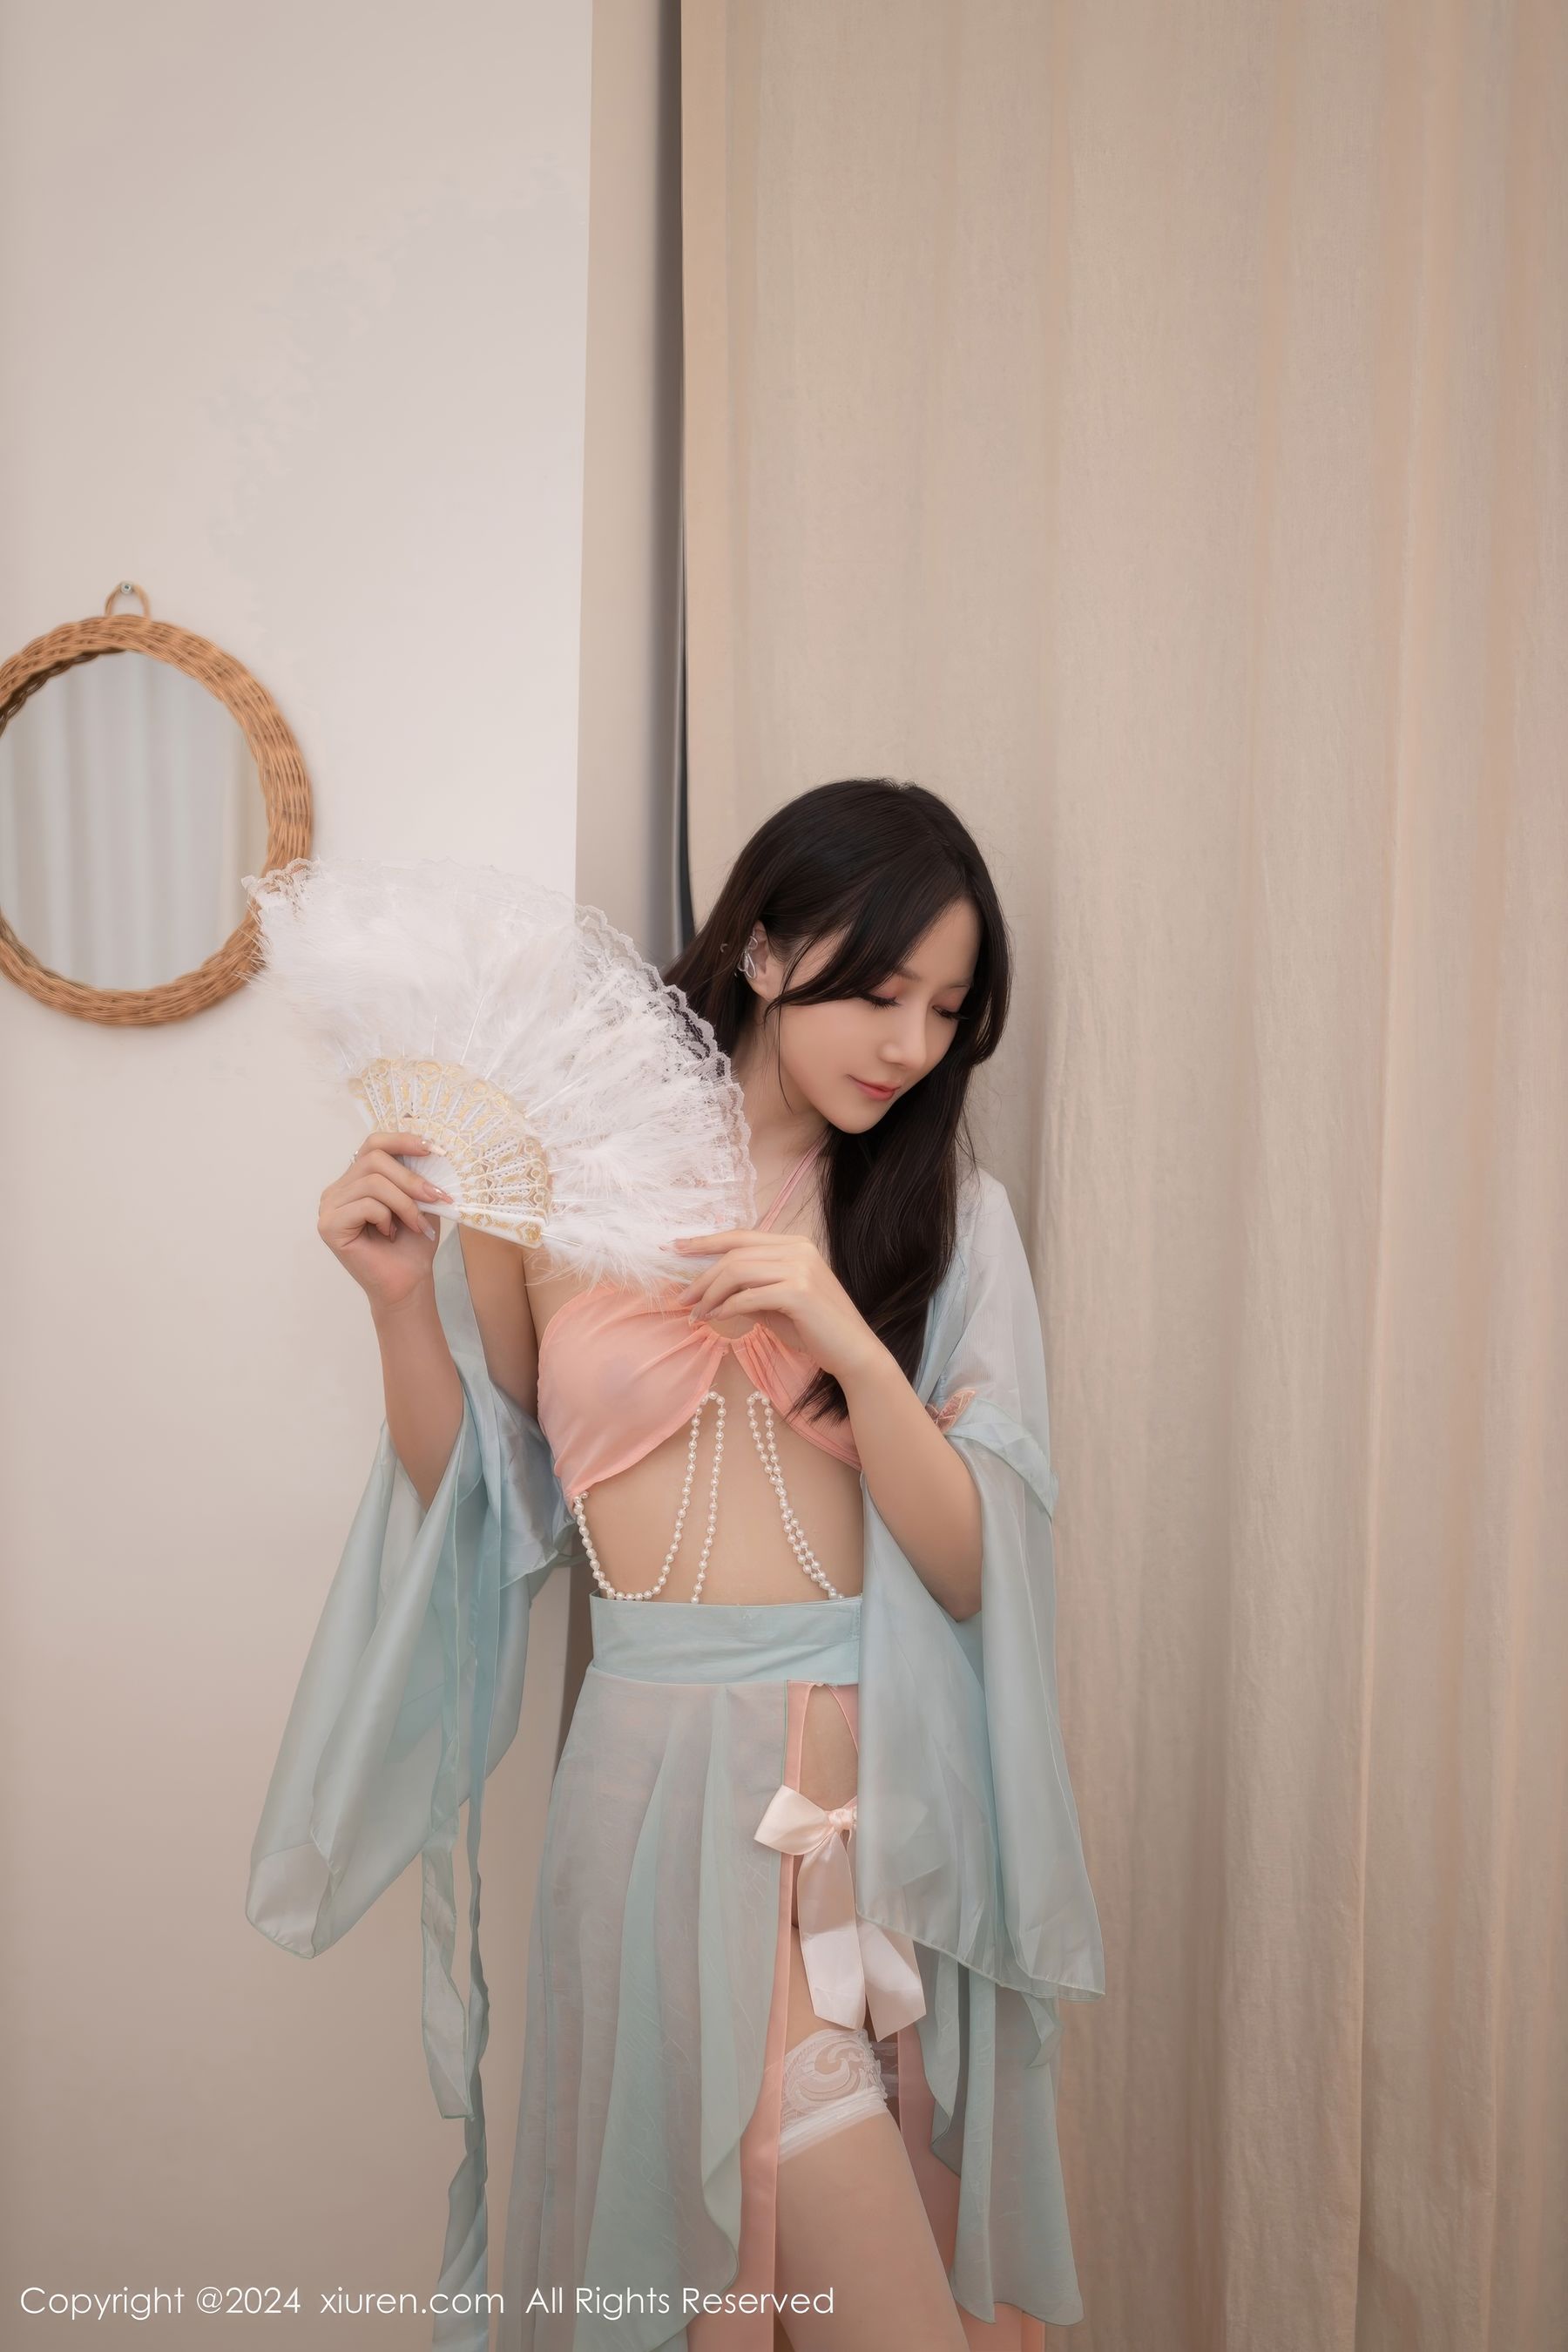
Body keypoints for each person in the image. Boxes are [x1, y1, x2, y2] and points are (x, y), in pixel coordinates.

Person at [247, 778, 1105, 2352]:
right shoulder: (547, 1192)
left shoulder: (944, 1220)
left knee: (903, 2278)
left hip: (875, 1816)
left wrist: (848, 1338)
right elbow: (486, 1507)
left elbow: (977, 1564)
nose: (910, 1045)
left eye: (946, 1011)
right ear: (765, 951)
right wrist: (397, 1303)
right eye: (881, 990)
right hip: (645, 1804)